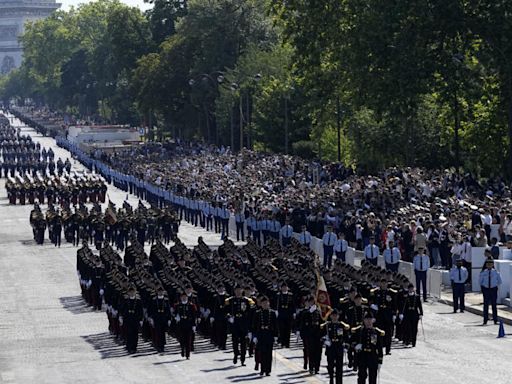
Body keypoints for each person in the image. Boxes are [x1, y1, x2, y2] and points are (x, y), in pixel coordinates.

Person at [352, 312, 384, 384]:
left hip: (372, 356)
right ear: (363, 320)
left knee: (372, 377)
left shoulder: (376, 332)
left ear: (373, 320)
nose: (368, 321)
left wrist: (380, 360)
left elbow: (379, 347)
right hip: (362, 356)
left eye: (370, 319)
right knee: (361, 376)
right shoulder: (359, 331)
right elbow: (352, 342)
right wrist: (356, 346)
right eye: (366, 319)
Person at [226, 285, 254, 365]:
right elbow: (226, 311)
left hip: (243, 323)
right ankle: (235, 355)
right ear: (234, 291)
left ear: (242, 290)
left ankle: (242, 359)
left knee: (243, 342)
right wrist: (229, 317)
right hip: (235, 323)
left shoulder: (247, 300)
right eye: (236, 290)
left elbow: (250, 313)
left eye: (239, 290)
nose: (238, 292)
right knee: (235, 341)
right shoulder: (230, 300)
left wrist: (249, 325)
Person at [322, 309, 350, 384]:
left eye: (336, 315)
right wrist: (325, 341)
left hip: (339, 347)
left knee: (339, 367)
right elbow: (321, 336)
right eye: (333, 315)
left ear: (338, 316)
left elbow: (346, 337)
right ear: (330, 316)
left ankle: (339, 382)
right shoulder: (327, 325)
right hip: (330, 347)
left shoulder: (342, 325)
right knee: (330, 365)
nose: (334, 317)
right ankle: (331, 378)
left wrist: (346, 347)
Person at [252, 296, 278, 376]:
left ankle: (268, 370)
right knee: (262, 353)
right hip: (261, 334)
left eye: (266, 303)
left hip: (269, 334)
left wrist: (276, 336)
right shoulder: (257, 313)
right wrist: (254, 336)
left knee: (269, 353)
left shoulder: (272, 313)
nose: (265, 305)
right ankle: (262, 369)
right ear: (261, 304)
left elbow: (275, 325)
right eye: (263, 303)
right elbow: (254, 326)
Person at [119, 286, 143, 354]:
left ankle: (134, 347)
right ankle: (129, 347)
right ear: (128, 293)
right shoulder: (126, 300)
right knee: (128, 334)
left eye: (133, 292)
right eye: (130, 292)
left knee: (135, 334)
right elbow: (122, 309)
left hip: (135, 320)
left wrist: (141, 319)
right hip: (128, 319)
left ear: (135, 292)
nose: (132, 293)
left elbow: (140, 311)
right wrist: (121, 317)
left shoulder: (138, 301)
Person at [174, 291, 197, 359]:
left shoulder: (191, 305)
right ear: (180, 298)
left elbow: (194, 316)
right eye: (182, 297)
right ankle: (182, 349)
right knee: (181, 339)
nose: (184, 298)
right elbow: (174, 313)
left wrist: (194, 325)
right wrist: (176, 317)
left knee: (188, 340)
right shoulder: (178, 305)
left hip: (189, 324)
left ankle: (188, 354)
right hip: (181, 324)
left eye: (185, 297)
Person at [479, 259, 502, 325]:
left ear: (492, 265)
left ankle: (495, 320)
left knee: (494, 305)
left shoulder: (496, 272)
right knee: (486, 305)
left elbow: (499, 281)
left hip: (493, 289)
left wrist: (494, 286)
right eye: (488, 264)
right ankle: (485, 320)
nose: (489, 266)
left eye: (490, 264)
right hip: (486, 289)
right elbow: (480, 281)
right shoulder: (483, 273)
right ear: (486, 265)